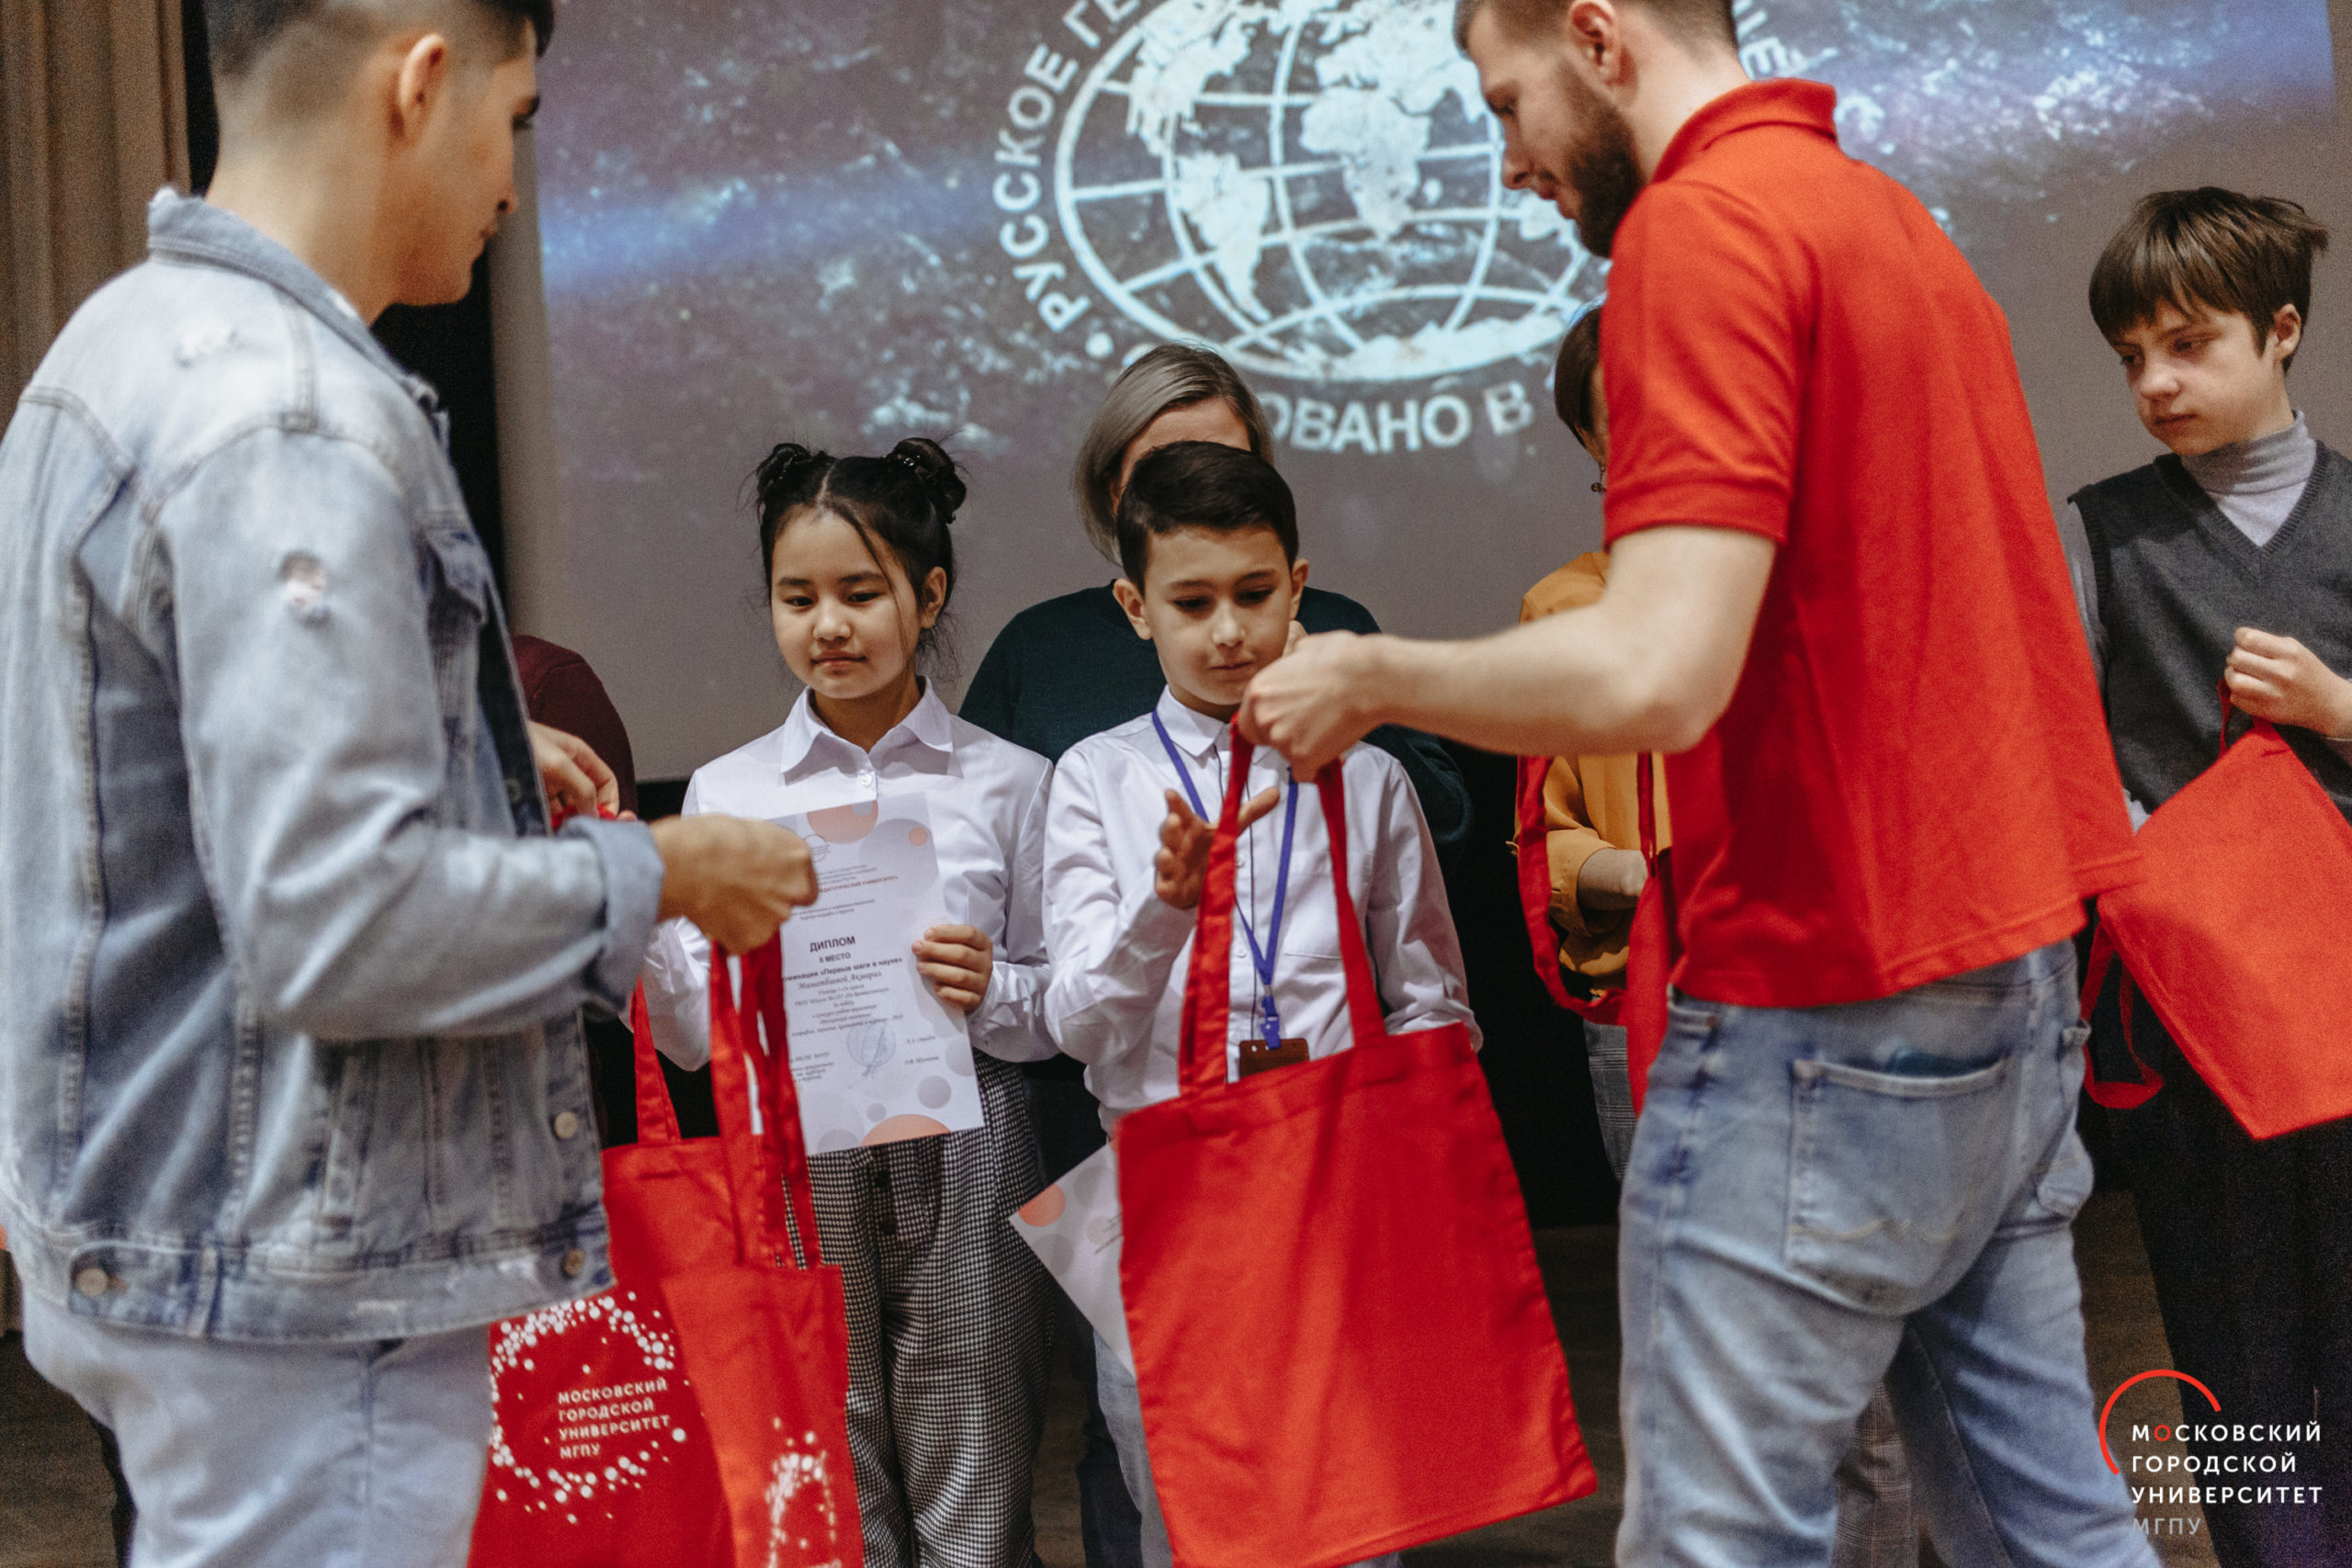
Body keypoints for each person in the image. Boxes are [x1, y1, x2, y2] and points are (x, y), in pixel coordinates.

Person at [1240, 2, 2154, 1563]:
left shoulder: (1701, 228)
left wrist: (1370, 674)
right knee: (2053, 1533)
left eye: (1504, 101)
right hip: (2009, 978)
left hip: (1829, 993)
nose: (1510, 161)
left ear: (1596, 36)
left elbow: (1657, 669)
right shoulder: (1891, 224)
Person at [0, 4, 817, 1563]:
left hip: (163, 1224)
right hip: (300, 1278)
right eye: (515, 119)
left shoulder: (110, 349)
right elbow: (340, 918)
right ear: (423, 82)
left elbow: (145, 786)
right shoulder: (294, 418)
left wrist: (469, 748)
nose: (512, 183)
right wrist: (669, 869)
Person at [956, 341, 1473, 1568]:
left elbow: (1432, 998)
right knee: (1191, 1515)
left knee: (1361, 1512)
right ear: (1135, 609)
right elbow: (1078, 1021)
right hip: (1169, 1192)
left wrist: (1417, 1166)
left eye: (1254, 594)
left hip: (1342, 1187)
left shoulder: (1368, 775)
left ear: (1300, 589)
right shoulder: (1097, 780)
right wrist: (1164, 909)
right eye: (1192, 604)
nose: (1230, 632)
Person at [1532, 303, 1923, 1568]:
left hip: (1822, 1014)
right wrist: (1651, 881)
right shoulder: (1561, 610)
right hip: (1646, 1014)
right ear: (1590, 442)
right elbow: (1547, 843)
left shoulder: (1813, 584)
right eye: (1619, 413)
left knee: (1854, 1374)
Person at [639, 438, 1058, 1568]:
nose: (828, 624)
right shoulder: (729, 791)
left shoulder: (1009, 780)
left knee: (976, 1462)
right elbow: (690, 1039)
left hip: (972, 1133)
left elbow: (1061, 1005)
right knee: (827, 1464)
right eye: (798, 597)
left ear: (930, 595)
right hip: (796, 1141)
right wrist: (649, 926)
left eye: (860, 593)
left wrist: (994, 987)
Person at [2057, 186, 2351, 1564]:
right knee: (2234, 1352)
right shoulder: (2101, 532)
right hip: (2191, 1019)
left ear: (2280, 329)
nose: (2155, 384)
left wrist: (2339, 710)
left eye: (2188, 344)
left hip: (2344, 1008)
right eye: (2132, 356)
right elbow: (2050, 757)